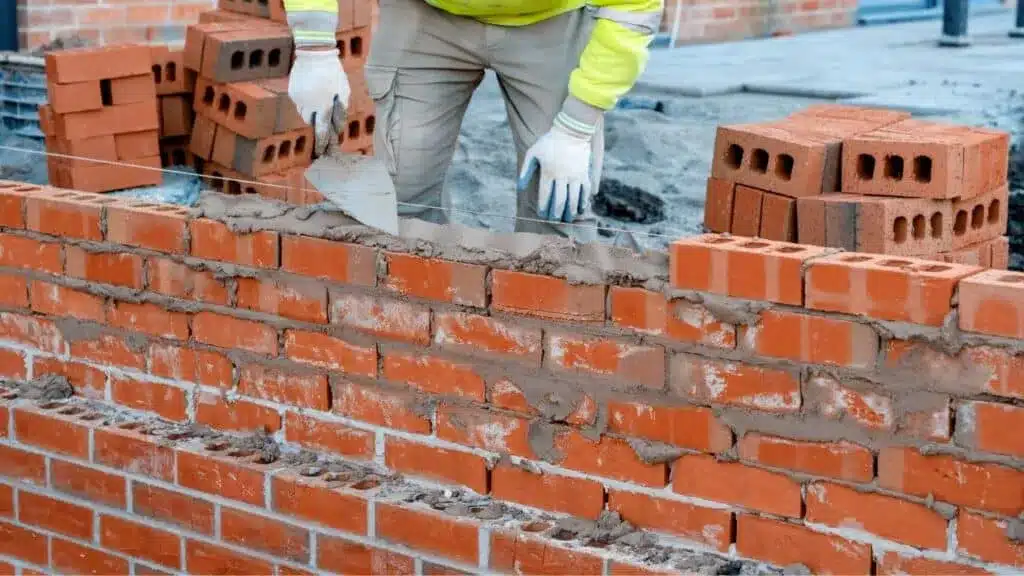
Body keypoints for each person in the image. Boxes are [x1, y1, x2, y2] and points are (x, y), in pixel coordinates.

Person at [284, 0, 661, 242]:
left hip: (553, 19)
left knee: (556, 209)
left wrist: (577, 127)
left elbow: (636, 6)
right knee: (401, 198)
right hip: (425, 12)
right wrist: (314, 44)